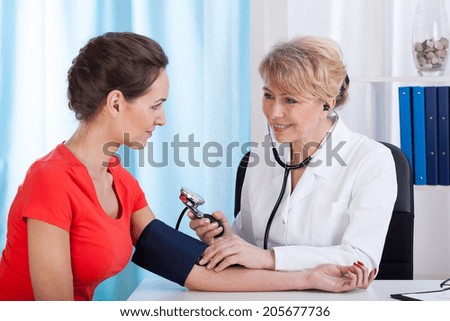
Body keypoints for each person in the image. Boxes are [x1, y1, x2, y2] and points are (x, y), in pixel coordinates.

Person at [0, 32, 375, 301]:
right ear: (116, 104)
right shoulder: (51, 179)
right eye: (155, 105)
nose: (162, 119)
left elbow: (192, 273)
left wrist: (307, 277)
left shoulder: (121, 183)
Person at [189, 36, 397, 275]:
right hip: (262, 296)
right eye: (268, 96)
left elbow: (361, 258)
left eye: (290, 100)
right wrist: (226, 240)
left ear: (326, 104)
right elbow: (251, 244)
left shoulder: (371, 160)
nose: (274, 113)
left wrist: (271, 259)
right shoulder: (260, 156)